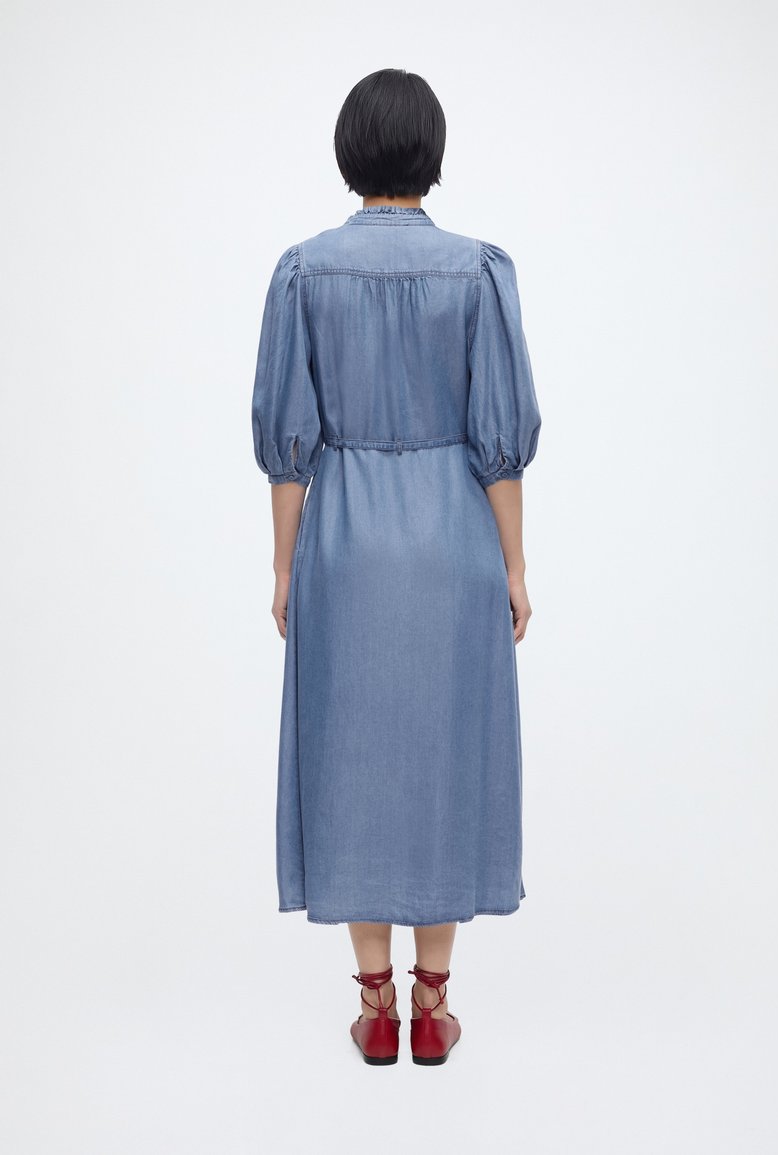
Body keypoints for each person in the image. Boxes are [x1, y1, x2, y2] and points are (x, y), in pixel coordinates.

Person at [251, 68, 542, 1066]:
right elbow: (499, 440)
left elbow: (287, 442)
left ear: (349, 151)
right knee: (443, 756)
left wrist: (283, 567)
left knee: (354, 758)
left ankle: (374, 1004)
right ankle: (433, 1002)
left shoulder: (302, 272)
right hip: (452, 539)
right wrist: (513, 565)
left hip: (343, 541)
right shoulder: (477, 272)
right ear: (431, 153)